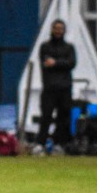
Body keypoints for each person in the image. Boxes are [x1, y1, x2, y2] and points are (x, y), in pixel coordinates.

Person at [35, 19, 77, 153]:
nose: (58, 31)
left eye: (61, 29)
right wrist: (61, 63)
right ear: (52, 30)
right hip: (49, 88)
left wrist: (56, 63)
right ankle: (40, 143)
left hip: (65, 88)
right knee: (46, 116)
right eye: (56, 28)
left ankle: (60, 144)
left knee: (63, 117)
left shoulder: (69, 47)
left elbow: (71, 63)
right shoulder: (45, 46)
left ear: (64, 31)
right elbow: (47, 62)